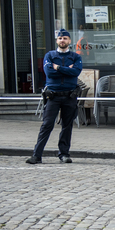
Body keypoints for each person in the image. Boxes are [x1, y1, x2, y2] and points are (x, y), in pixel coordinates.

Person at [26, 29, 83, 164]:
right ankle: (37, 155)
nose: (62, 40)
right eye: (60, 38)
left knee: (67, 125)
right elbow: (49, 73)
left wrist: (58, 68)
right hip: (53, 96)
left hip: (69, 95)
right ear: (57, 41)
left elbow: (75, 72)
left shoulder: (76, 57)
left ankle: (64, 154)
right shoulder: (49, 55)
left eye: (65, 38)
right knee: (47, 125)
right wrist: (66, 70)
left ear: (69, 41)